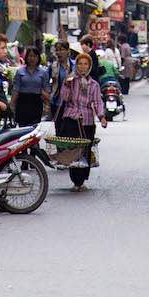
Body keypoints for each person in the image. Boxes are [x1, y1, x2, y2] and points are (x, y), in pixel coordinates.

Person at [56, 51, 108, 190]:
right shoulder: (70, 81)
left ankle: (82, 180)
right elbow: (64, 98)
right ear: (76, 65)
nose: (83, 66)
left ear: (89, 66)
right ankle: (75, 181)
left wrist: (102, 117)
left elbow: (97, 102)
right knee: (74, 151)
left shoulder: (94, 85)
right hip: (71, 119)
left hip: (87, 122)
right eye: (80, 63)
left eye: (86, 64)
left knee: (85, 151)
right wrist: (67, 84)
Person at [10, 47, 50, 127]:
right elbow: (16, 89)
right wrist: (12, 105)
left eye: (35, 56)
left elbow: (46, 90)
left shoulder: (43, 72)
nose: (32, 58)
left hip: (36, 102)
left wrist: (48, 105)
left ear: (38, 58)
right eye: (30, 56)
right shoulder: (20, 71)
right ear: (26, 57)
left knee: (34, 129)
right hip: (22, 102)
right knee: (22, 128)